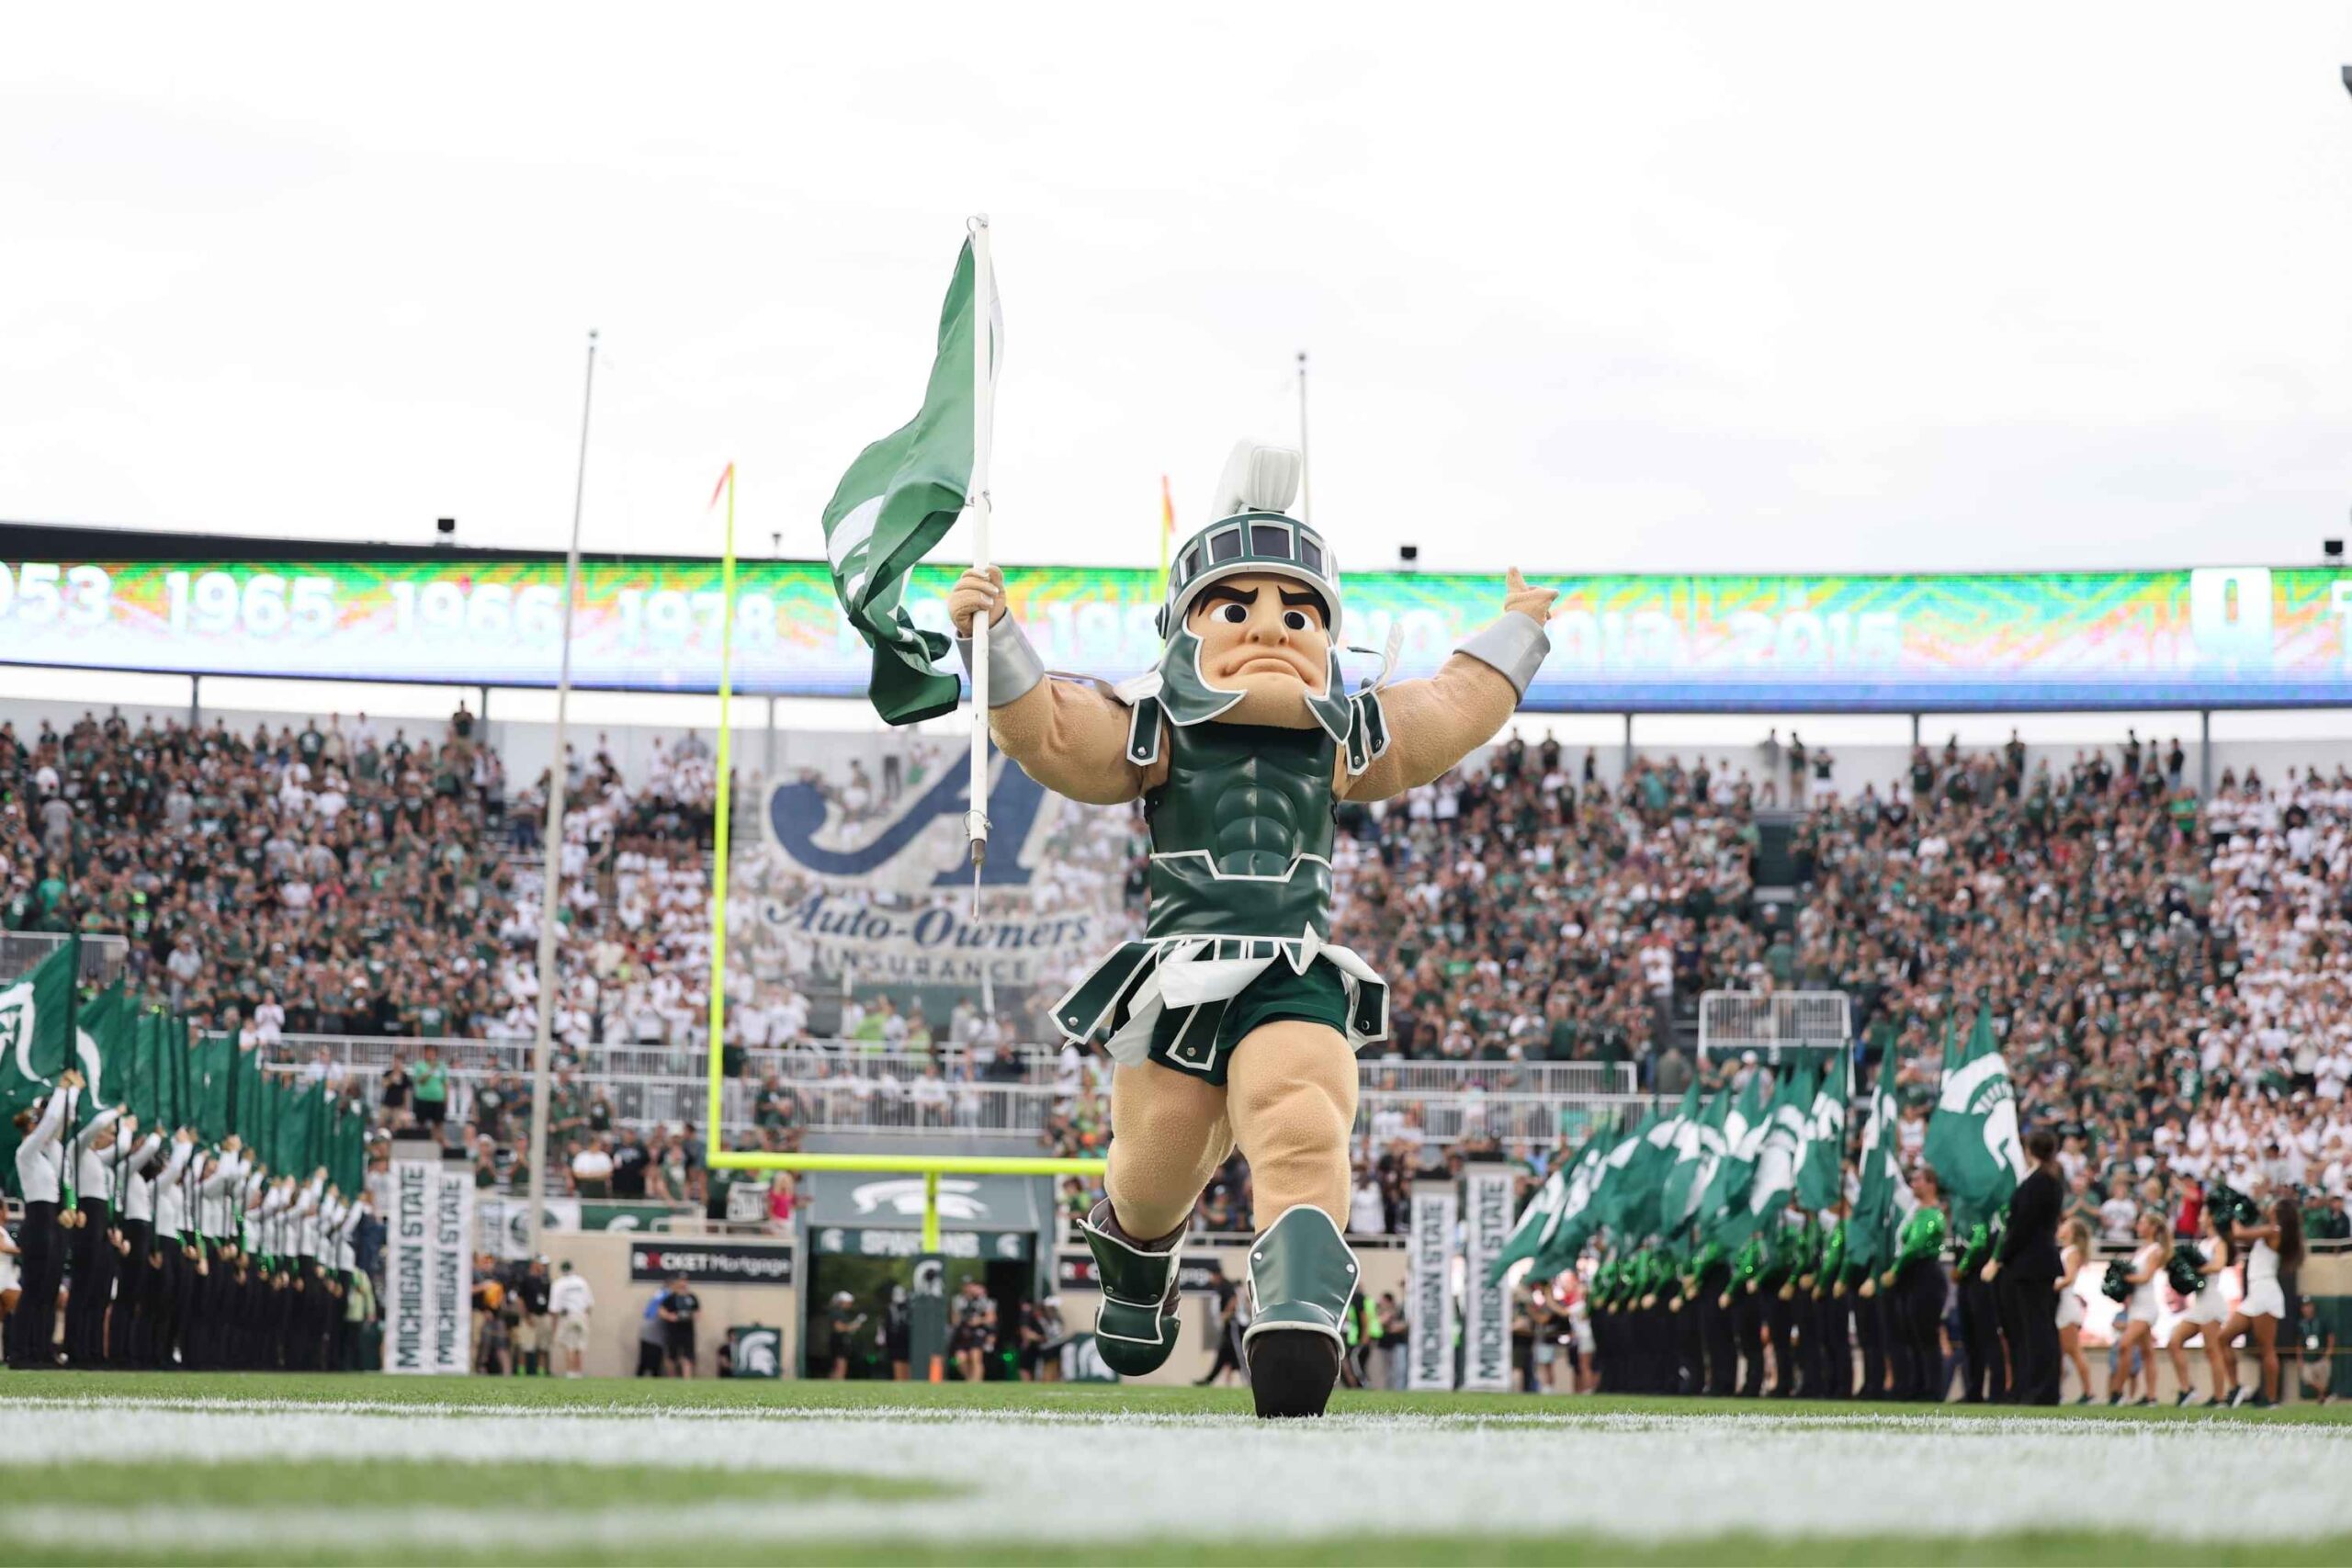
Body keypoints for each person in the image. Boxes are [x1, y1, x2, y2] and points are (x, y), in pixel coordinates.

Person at [949, 439, 1555, 1418]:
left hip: (1291, 965)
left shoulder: (1342, 732)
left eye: (1297, 609)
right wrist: (999, 641)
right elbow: (1055, 734)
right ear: (1186, 626)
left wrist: (1516, 632)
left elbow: (1448, 712)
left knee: (1302, 1111)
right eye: (1239, 606)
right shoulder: (1157, 721)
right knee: (1155, 1170)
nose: (1272, 627)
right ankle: (1138, 1250)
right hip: (1181, 972)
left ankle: (1299, 1308)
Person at [1984, 1127, 2064, 1405]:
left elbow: (2021, 1227)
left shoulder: (2039, 1182)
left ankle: (2041, 1390)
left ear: (2029, 1150)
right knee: (2031, 1330)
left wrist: (1999, 1257)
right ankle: (2030, 1387)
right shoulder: (2046, 1180)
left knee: (2038, 1330)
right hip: (2032, 1264)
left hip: (2032, 1265)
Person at [2222, 1195, 2302, 1407]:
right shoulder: (2271, 1230)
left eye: (2272, 1206)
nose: (2268, 1208)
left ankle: (2271, 1398)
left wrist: (2232, 1213)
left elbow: (2240, 1233)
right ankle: (2236, 1388)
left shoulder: (2274, 1231)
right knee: (2223, 1338)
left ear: (2279, 1213)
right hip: (2256, 1293)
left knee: (2266, 1348)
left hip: (2265, 1292)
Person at [2164, 1207, 2233, 1407]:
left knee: (2212, 1350)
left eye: (2204, 1214)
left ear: (2211, 1218)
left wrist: (2195, 1269)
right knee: (2174, 1342)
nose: (2200, 1218)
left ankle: (2219, 1398)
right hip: (2200, 1301)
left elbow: (2219, 1265)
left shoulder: (2219, 1242)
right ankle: (2187, 1389)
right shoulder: (2202, 1243)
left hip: (2211, 1300)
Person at [2105, 1212, 2168, 1406]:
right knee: (2148, 1352)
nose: (2138, 1225)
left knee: (2124, 1345)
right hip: (2136, 1306)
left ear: (2153, 1228)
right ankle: (2151, 1397)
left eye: (2143, 1222)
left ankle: (2117, 1392)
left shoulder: (2156, 1250)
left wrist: (2123, 1278)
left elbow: (2146, 1277)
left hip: (2146, 1307)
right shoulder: (2142, 1250)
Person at [2054, 1219, 2094, 1404]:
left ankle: (2089, 1392)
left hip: (2067, 1306)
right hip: (2063, 1305)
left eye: (2065, 1226)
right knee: (2060, 1353)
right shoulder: (2067, 1251)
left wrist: (2052, 1286)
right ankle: (2056, 1392)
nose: (2061, 1228)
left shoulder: (2072, 1252)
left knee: (2074, 1351)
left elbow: (2069, 1278)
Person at [548, 1259, 594, 1378]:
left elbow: (554, 1308)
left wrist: (554, 1326)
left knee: (569, 1345)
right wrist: (585, 1317)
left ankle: (570, 1372)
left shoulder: (559, 1283)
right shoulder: (581, 1282)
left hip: (568, 1316)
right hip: (581, 1315)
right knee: (579, 1346)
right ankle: (578, 1371)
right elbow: (589, 1304)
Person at [660, 1272, 700, 1377]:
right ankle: (672, 1378)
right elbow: (661, 1311)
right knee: (671, 1356)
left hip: (687, 1330)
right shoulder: (670, 1298)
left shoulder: (691, 1297)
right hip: (673, 1331)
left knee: (687, 1356)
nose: (683, 1283)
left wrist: (692, 1316)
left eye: (685, 1281)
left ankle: (687, 1379)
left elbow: (697, 1311)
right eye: (681, 1281)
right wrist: (670, 1316)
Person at [2295, 1300, 2334, 1405]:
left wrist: (2328, 1352)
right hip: (2308, 1357)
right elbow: (2298, 1342)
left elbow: (2330, 1336)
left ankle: (2322, 1400)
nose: (2307, 1309)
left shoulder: (2321, 1321)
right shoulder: (2300, 1324)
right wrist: (2299, 1358)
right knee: (2307, 1378)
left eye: (2309, 1306)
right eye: (2304, 1307)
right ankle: (2327, 1393)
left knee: (2323, 1379)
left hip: (2320, 1356)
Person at [826, 1291, 866, 1380]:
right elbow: (839, 1328)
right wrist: (853, 1326)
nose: (850, 1305)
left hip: (838, 1342)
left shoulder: (839, 1312)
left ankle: (836, 1381)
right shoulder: (837, 1313)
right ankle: (837, 1381)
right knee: (840, 1365)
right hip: (838, 1342)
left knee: (838, 1365)